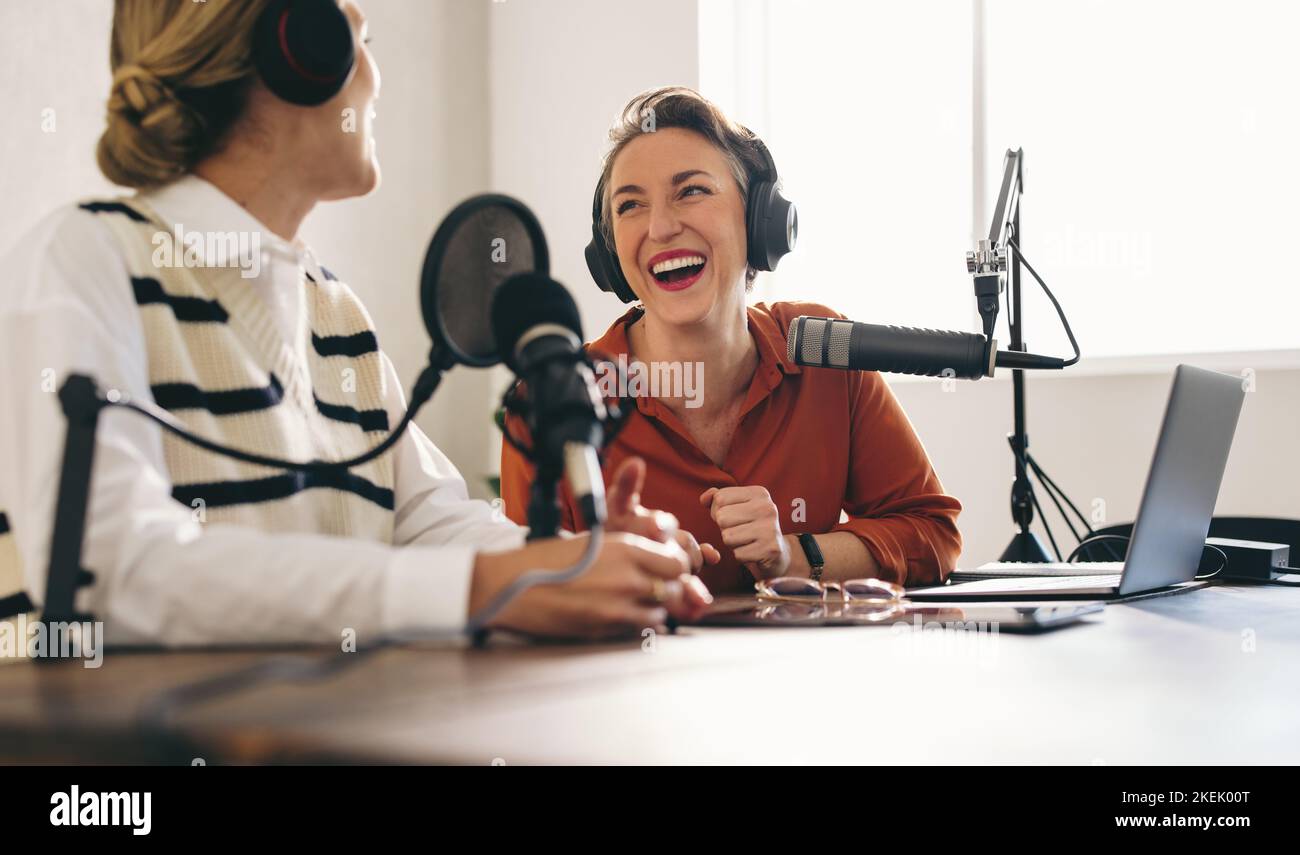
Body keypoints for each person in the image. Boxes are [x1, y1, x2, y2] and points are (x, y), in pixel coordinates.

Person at [0, 1, 711, 647]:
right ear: (296, 47)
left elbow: (429, 525)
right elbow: (106, 571)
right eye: (358, 37)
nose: (374, 76)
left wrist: (573, 562)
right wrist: (493, 589)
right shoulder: (84, 257)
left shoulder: (335, 313)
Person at [502, 87, 962, 594]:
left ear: (759, 221)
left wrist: (793, 555)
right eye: (630, 205)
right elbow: (525, 588)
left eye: (691, 191)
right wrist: (611, 568)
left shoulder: (823, 351)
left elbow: (931, 533)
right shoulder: (550, 397)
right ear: (610, 254)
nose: (661, 226)